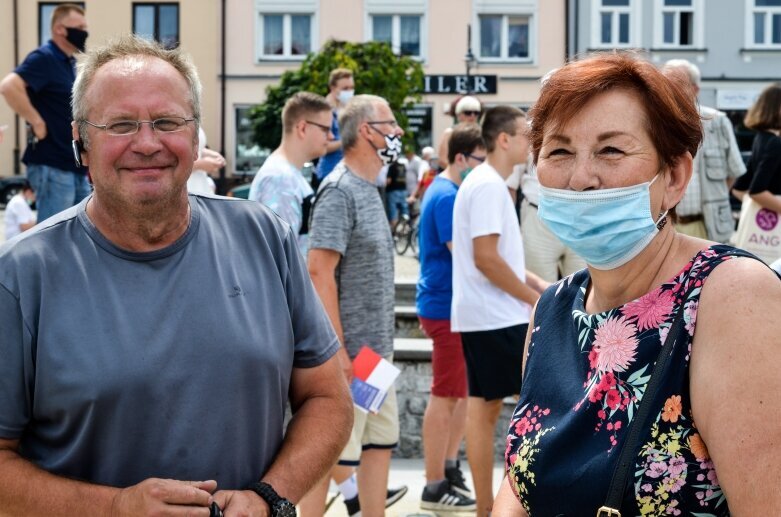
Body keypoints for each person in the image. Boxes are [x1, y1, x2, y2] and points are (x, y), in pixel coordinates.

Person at [0, 35, 353, 515]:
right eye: (120, 124)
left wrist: (269, 497)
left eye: (167, 122)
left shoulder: (264, 238)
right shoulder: (22, 274)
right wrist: (115, 508)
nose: (147, 143)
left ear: (195, 135)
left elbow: (328, 398)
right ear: (80, 141)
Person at [495, 52, 781, 517]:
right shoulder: (551, 309)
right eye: (559, 151)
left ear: (673, 177)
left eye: (611, 150)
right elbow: (520, 480)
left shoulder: (729, 296)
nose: (581, 179)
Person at [303, 94, 406, 517]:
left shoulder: (369, 188)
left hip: (375, 358)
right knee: (330, 461)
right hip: (351, 359)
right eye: (391, 123)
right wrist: (339, 352)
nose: (397, 132)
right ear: (367, 130)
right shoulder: (340, 191)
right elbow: (317, 272)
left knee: (378, 447)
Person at [450, 106, 548, 517]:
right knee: (523, 408)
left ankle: (490, 506)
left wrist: (539, 286)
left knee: (485, 407)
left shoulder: (485, 183)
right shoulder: (489, 186)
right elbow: (487, 260)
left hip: (487, 314)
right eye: (525, 136)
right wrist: (534, 300)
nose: (531, 145)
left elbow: (497, 256)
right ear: (504, 139)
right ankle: (497, 506)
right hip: (496, 316)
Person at [417, 123, 486, 512]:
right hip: (445, 307)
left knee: (457, 395)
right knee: (445, 397)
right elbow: (465, 254)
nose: (482, 166)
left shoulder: (450, 190)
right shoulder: (446, 196)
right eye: (478, 159)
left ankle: (447, 468)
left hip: (451, 306)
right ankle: (433, 485)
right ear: (461, 158)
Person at [0, 3, 91, 222]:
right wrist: (36, 122)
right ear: (60, 29)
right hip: (52, 164)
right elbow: (9, 86)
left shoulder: (67, 63)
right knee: (54, 234)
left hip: (73, 164)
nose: (84, 32)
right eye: (79, 26)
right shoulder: (45, 57)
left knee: (79, 231)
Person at [662, 59, 746, 242]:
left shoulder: (718, 122)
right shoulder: (657, 124)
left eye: (676, 85)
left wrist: (715, 198)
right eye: (664, 85)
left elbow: (734, 171)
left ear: (695, 89)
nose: (669, 91)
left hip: (706, 225)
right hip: (666, 225)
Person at [249, 91, 332, 256]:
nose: (331, 136)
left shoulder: (287, 174)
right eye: (325, 129)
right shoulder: (280, 179)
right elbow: (278, 256)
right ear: (302, 128)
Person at [313, 68, 355, 186]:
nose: (350, 92)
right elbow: (323, 147)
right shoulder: (325, 112)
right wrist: (347, 141)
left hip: (345, 173)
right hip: (329, 174)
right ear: (332, 88)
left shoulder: (345, 109)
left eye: (352, 88)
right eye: (345, 88)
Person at [437, 95, 482, 169]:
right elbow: (442, 160)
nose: (472, 116)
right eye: (468, 112)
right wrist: (461, 173)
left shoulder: (480, 134)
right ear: (458, 114)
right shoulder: (450, 133)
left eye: (476, 113)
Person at [186, 126, 225, 195]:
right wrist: (201, 165)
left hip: (201, 183)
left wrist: (214, 155)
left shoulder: (193, 119)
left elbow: (198, 149)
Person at [385, 157, 409, 229]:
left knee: (393, 211)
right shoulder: (403, 166)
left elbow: (388, 180)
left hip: (393, 191)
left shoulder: (391, 166)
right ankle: (405, 229)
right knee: (404, 210)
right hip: (403, 190)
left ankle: (395, 230)